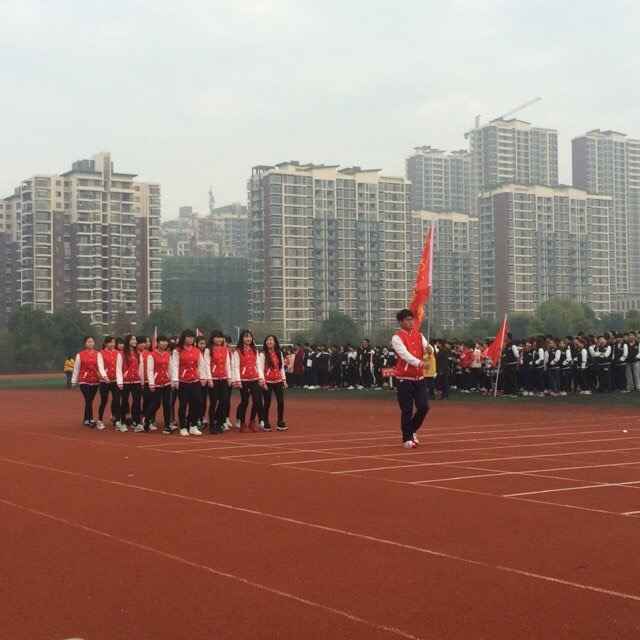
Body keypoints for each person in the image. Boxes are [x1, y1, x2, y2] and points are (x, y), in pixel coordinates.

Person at [391, 309, 430, 449]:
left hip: (419, 378)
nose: (410, 322)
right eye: (407, 320)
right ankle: (407, 438)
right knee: (407, 409)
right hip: (404, 378)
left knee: (424, 407)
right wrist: (419, 363)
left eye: (411, 319)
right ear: (401, 322)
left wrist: (431, 350)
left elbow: (427, 348)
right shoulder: (397, 337)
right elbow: (405, 355)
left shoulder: (419, 335)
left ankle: (412, 430)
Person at [171, 329, 207, 436]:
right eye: (188, 337)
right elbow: (175, 365)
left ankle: (193, 425)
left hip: (195, 380)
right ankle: (183, 426)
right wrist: (175, 380)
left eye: (192, 337)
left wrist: (203, 377)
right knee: (183, 404)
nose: (190, 339)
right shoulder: (177, 351)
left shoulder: (197, 351)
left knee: (197, 403)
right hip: (183, 381)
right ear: (184, 338)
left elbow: (201, 365)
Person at [231, 329, 267, 432]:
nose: (248, 339)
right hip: (243, 380)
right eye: (246, 337)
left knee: (257, 401)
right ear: (242, 338)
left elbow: (258, 366)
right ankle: (242, 423)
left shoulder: (255, 350)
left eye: (250, 337)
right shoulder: (237, 351)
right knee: (245, 401)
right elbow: (235, 367)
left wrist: (261, 378)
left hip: (255, 379)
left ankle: (252, 421)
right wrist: (237, 380)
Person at [71, 336, 102, 428]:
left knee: (90, 400)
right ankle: (91, 419)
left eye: (92, 341)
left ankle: (86, 419)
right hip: (84, 380)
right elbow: (76, 368)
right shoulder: (80, 355)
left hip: (95, 380)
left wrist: (103, 376)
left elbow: (100, 367)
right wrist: (74, 380)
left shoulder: (98, 354)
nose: (90, 343)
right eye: (88, 342)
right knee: (88, 399)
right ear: (85, 343)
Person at [204, 331, 232, 434]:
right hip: (213, 379)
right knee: (213, 402)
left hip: (223, 378)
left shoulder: (225, 350)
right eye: (217, 337)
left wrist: (229, 377)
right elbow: (206, 365)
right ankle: (212, 425)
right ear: (212, 338)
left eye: (220, 338)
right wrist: (209, 379)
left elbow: (227, 364)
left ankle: (219, 422)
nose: (219, 340)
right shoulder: (208, 350)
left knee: (224, 401)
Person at [146, 335, 173, 434]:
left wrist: (172, 380)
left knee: (167, 404)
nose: (164, 343)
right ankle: (146, 419)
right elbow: (150, 370)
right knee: (156, 404)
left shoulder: (168, 354)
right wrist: (151, 383)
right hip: (156, 383)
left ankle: (167, 426)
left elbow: (170, 368)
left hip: (166, 383)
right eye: (162, 341)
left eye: (166, 341)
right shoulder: (151, 355)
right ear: (157, 343)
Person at [116, 334, 143, 432]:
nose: (135, 341)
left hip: (136, 381)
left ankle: (137, 422)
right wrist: (120, 381)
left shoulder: (138, 353)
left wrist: (141, 380)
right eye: (133, 339)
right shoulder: (122, 354)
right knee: (124, 402)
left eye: (135, 339)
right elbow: (118, 368)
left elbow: (140, 368)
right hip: (125, 381)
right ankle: (122, 422)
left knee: (137, 402)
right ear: (128, 341)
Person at [262, 334, 288, 431]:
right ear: (265, 342)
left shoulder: (279, 353)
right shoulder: (262, 354)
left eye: (271, 340)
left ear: (275, 342)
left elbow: (281, 368)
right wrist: (262, 381)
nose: (269, 342)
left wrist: (284, 380)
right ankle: (266, 422)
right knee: (267, 402)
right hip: (267, 381)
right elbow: (260, 368)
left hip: (278, 381)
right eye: (268, 340)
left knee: (281, 402)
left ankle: (280, 422)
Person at [97, 335, 120, 429]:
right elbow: (100, 366)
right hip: (104, 382)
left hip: (115, 381)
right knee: (104, 401)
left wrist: (119, 379)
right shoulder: (101, 353)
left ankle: (117, 420)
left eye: (114, 342)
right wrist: (105, 377)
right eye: (110, 342)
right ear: (106, 343)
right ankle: (100, 420)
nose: (112, 344)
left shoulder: (118, 353)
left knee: (117, 401)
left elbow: (119, 367)